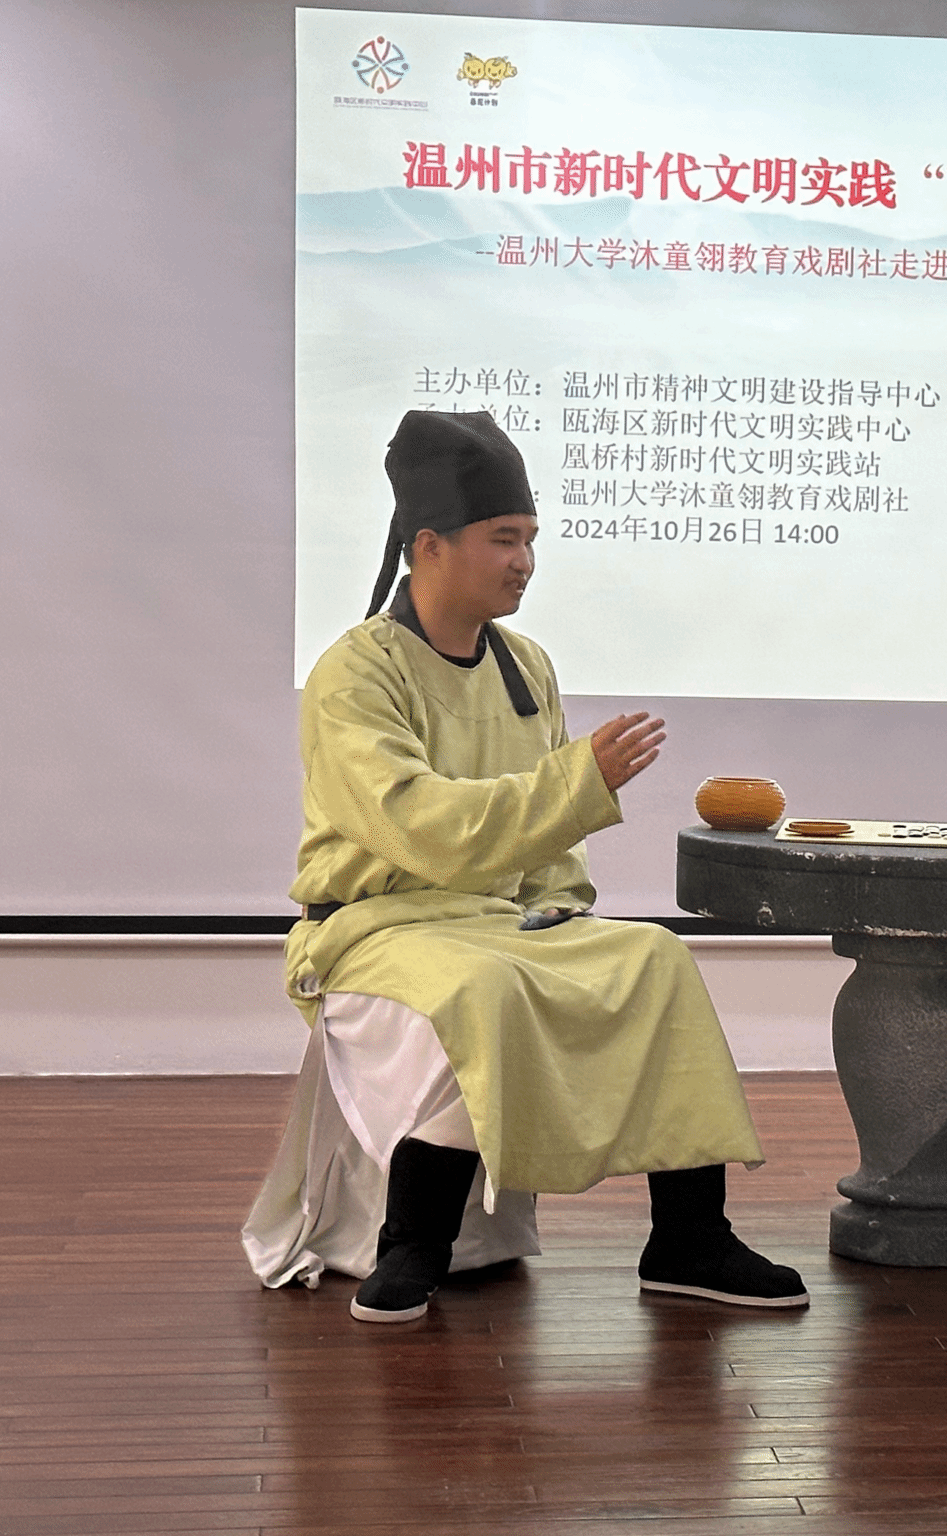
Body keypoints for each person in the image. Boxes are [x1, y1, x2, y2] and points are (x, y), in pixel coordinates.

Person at [243, 409, 807, 1321]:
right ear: (429, 545)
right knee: (481, 986)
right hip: (373, 928)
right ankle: (412, 1241)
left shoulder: (526, 665)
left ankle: (689, 1237)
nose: (525, 561)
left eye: (531, 539)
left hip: (498, 923)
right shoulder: (356, 673)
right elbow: (420, 827)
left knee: (654, 959)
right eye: (504, 538)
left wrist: (560, 906)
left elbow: (550, 847)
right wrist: (576, 781)